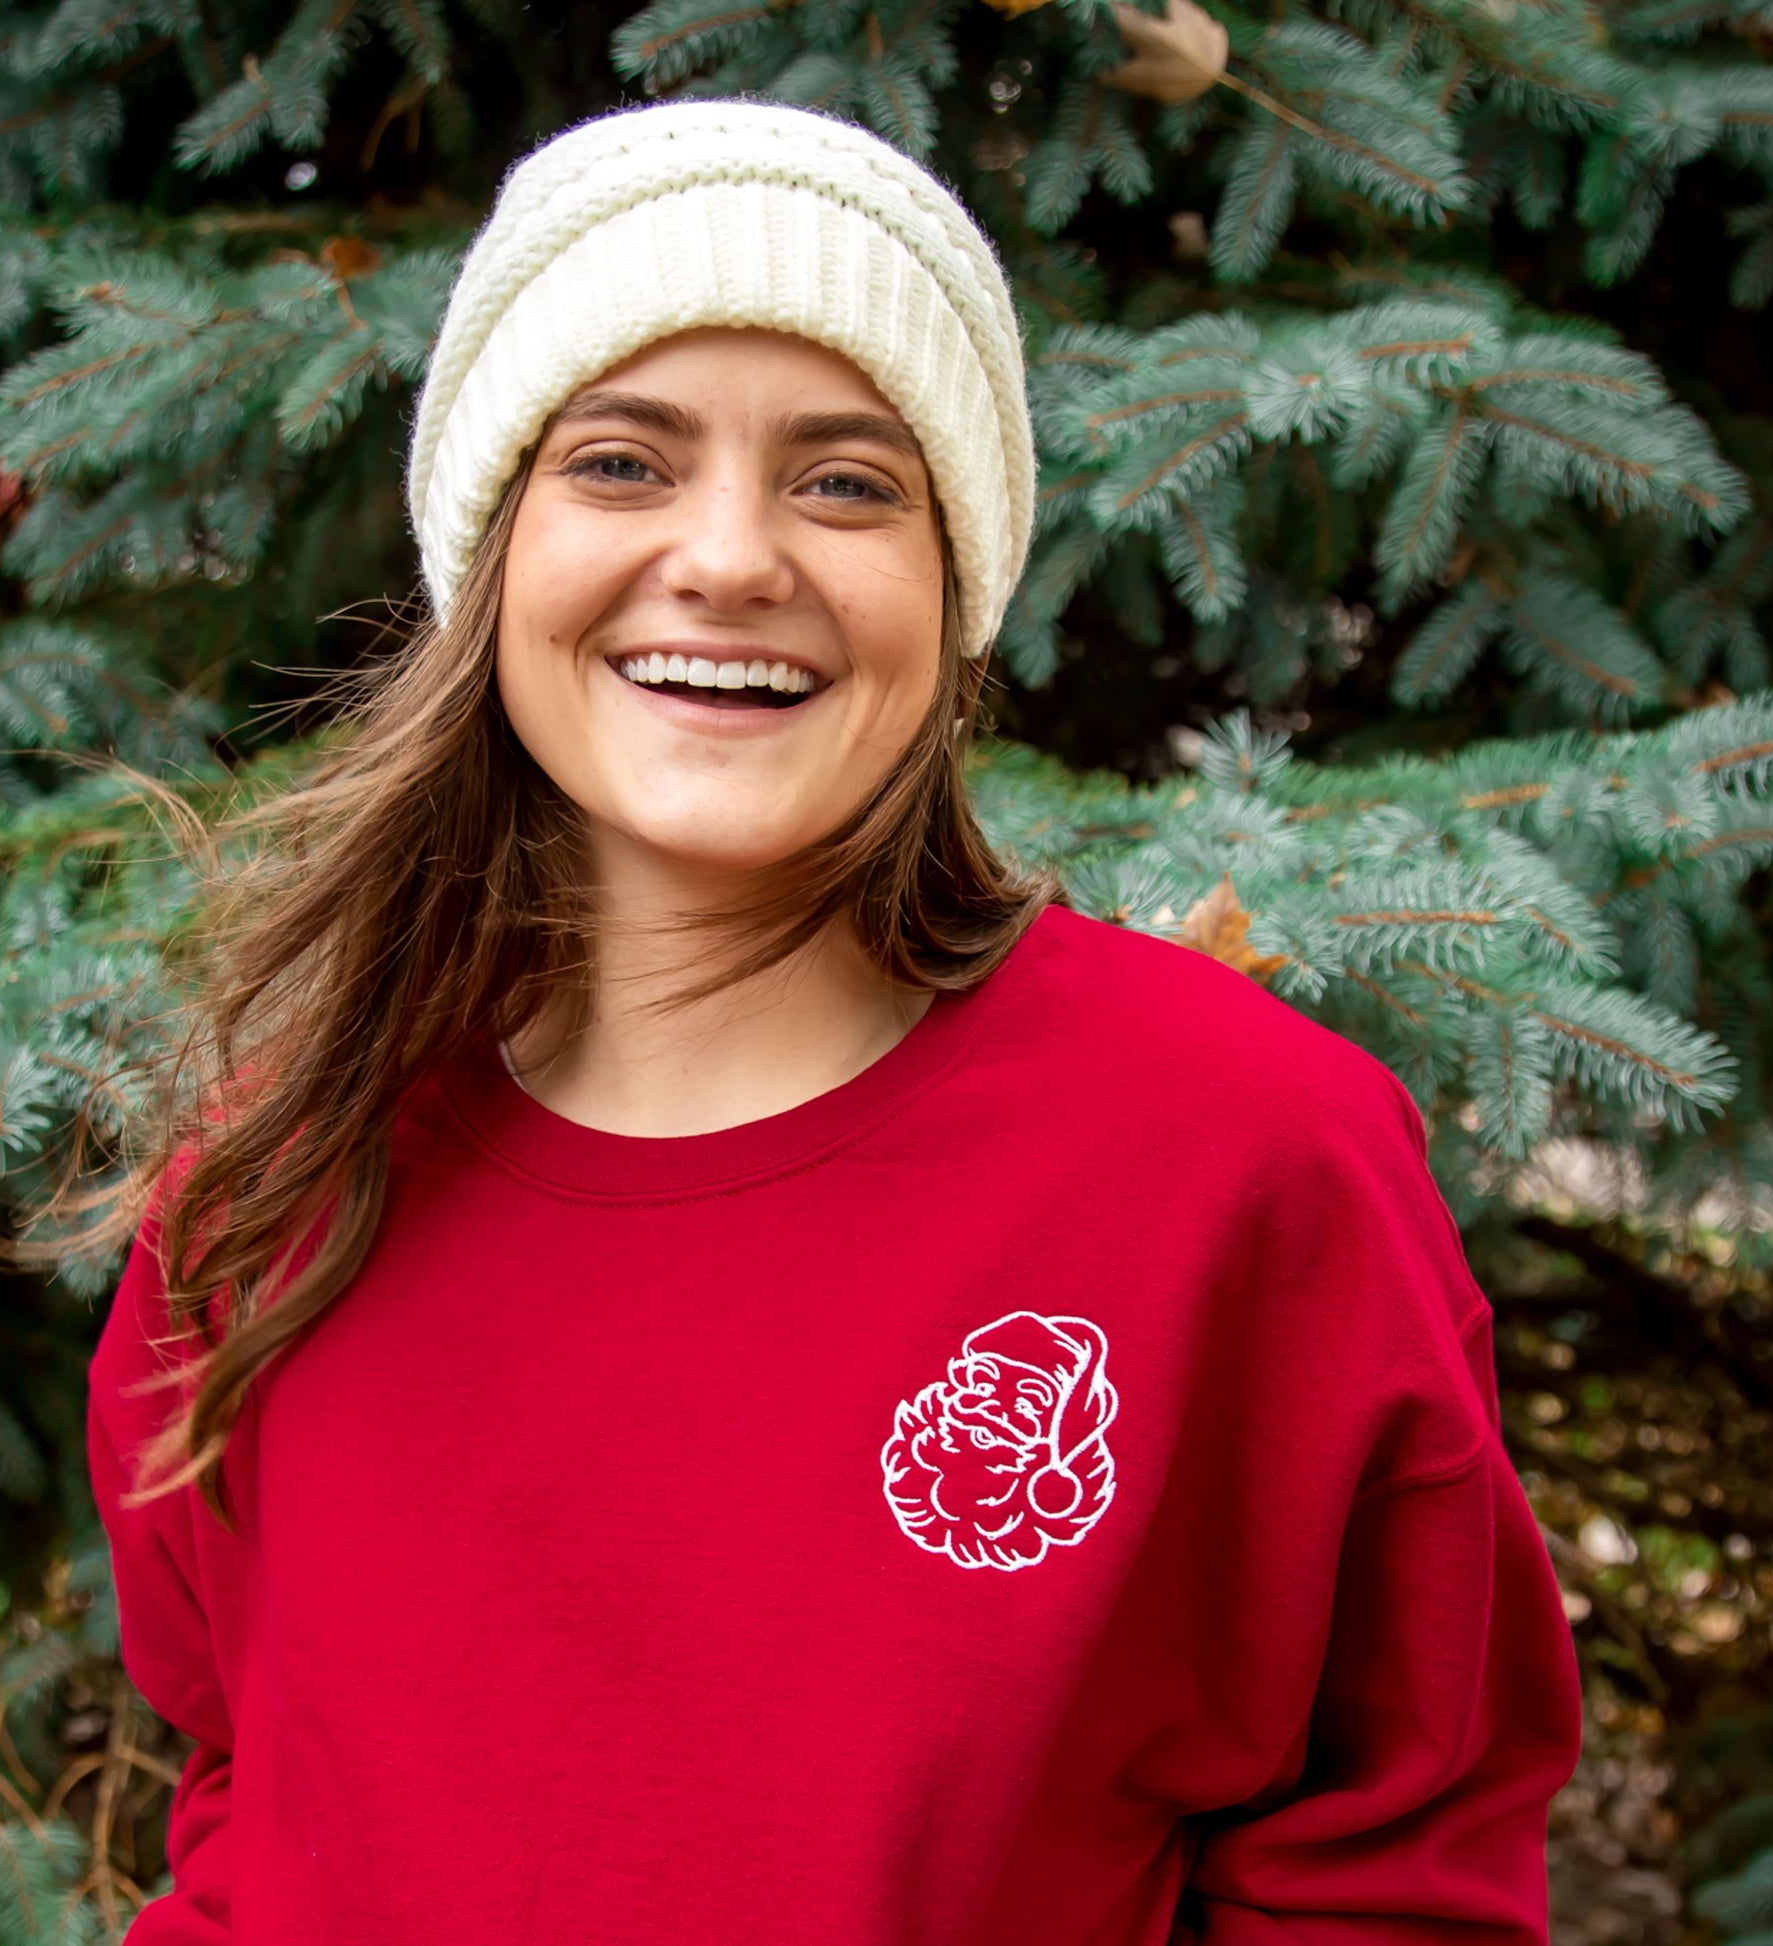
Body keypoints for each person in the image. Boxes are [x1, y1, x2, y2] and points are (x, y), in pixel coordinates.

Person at [86, 97, 1584, 1946]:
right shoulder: (268, 1175)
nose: (726, 556)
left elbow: (1393, 1873)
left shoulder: (1243, 1161)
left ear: (958, 592)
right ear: (487, 555)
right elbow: (252, 1802)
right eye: (621, 463)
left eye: (847, 479)